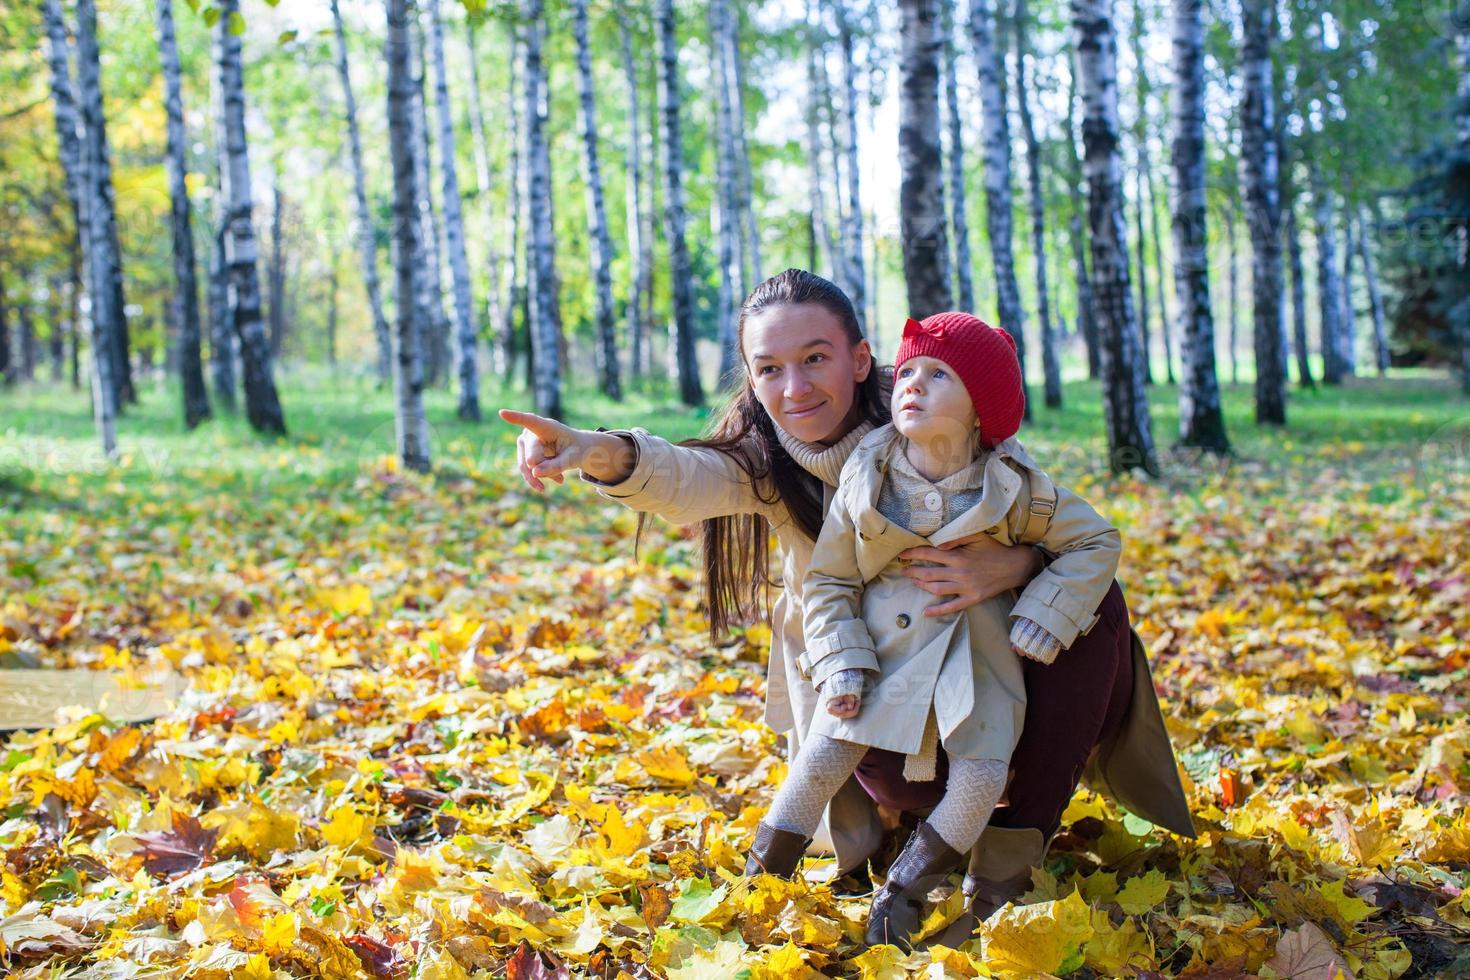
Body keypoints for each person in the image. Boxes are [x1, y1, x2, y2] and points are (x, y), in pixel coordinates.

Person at [500, 269, 1193, 942]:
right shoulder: (768, 465)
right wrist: (597, 452)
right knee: (885, 732)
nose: (794, 387)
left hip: (989, 689)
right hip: (879, 712)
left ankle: (1011, 856)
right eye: (768, 368)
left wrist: (1016, 562)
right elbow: (689, 476)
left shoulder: (945, 400)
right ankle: (828, 855)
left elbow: (1051, 519)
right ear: (750, 377)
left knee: (1098, 600)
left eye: (815, 359)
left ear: (861, 359)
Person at [744, 311, 1122, 950]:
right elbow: (831, 581)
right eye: (910, 369)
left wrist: (1039, 613)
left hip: (978, 671)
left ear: (982, 409)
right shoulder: (868, 476)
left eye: (938, 373)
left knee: (980, 778)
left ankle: (907, 891)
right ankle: (760, 881)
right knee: (821, 756)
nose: (912, 383)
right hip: (881, 660)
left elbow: (1096, 540)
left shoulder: (1018, 488)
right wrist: (842, 661)